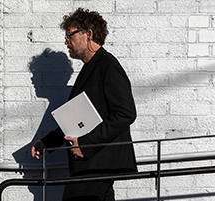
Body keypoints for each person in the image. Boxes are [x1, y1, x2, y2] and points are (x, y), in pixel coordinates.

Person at [32, 8, 137, 201]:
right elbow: (76, 119)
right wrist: (48, 142)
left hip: (96, 165)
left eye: (70, 35)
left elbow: (126, 113)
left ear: (88, 34)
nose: (66, 41)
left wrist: (86, 145)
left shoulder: (108, 66)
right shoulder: (91, 68)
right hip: (92, 165)